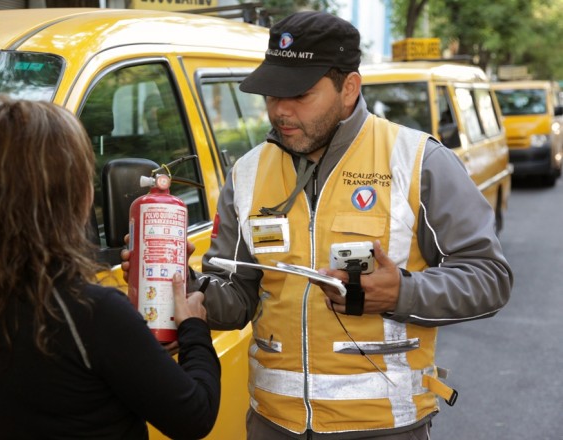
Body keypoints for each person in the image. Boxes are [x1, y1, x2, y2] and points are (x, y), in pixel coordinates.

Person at [124, 11, 513, 440]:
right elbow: (237, 297)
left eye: (300, 94)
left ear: (349, 88)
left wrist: (402, 292)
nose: (281, 110)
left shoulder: (419, 161)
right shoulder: (248, 173)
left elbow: (490, 279)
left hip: (384, 426)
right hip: (272, 423)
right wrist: (183, 285)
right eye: (271, 94)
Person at [0, 94, 221, 440]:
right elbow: (195, 416)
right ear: (69, 197)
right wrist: (195, 330)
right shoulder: (93, 313)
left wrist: (137, 346)